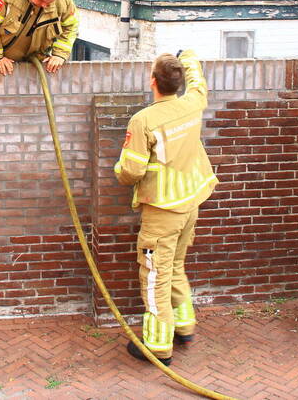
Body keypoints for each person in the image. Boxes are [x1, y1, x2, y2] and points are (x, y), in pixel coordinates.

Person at [113, 50, 218, 366]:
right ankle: (184, 326)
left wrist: (118, 170)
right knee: (175, 265)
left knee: (155, 273)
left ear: (153, 81)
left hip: (162, 209)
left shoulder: (144, 120)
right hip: (191, 203)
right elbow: (198, 82)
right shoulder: (192, 103)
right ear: (178, 83)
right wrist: (188, 58)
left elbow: (130, 170)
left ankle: (158, 344)